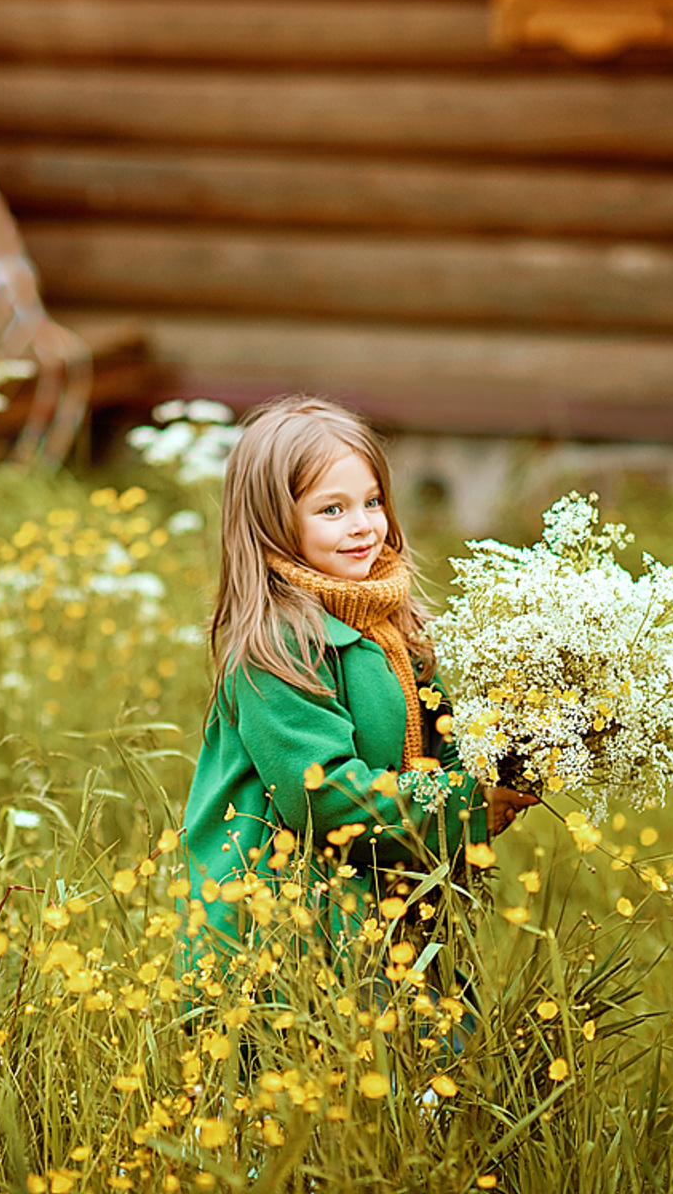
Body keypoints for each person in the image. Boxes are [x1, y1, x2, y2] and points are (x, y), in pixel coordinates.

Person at [183, 395, 538, 960]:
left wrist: (515, 753)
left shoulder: (390, 623)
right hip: (283, 936)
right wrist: (462, 808)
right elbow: (323, 795)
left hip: (386, 915)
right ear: (274, 522)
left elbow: (442, 738)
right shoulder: (279, 645)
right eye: (332, 510)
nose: (363, 527)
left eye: (372, 502)